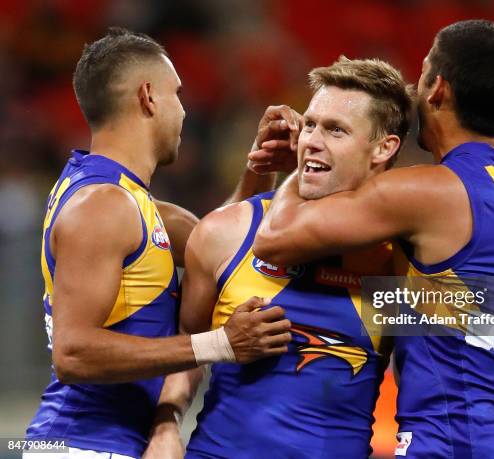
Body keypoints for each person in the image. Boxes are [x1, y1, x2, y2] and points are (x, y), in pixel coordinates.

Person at [254, 20, 494, 458]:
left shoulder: (428, 192)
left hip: (453, 444)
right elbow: (452, 311)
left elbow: (274, 239)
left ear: (437, 90)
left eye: (423, 72)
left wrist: (304, 160)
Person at [24, 28, 291, 459]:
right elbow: (72, 354)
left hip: (102, 442)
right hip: (81, 443)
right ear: (148, 96)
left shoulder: (125, 200)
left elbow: (223, 244)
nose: (184, 112)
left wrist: (259, 163)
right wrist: (220, 344)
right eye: (177, 94)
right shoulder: (103, 205)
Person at [144, 56, 413, 458]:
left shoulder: (401, 259)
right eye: (310, 124)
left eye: (336, 130)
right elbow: (187, 348)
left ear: (384, 147)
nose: (312, 141)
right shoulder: (226, 232)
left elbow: (449, 364)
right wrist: (165, 427)